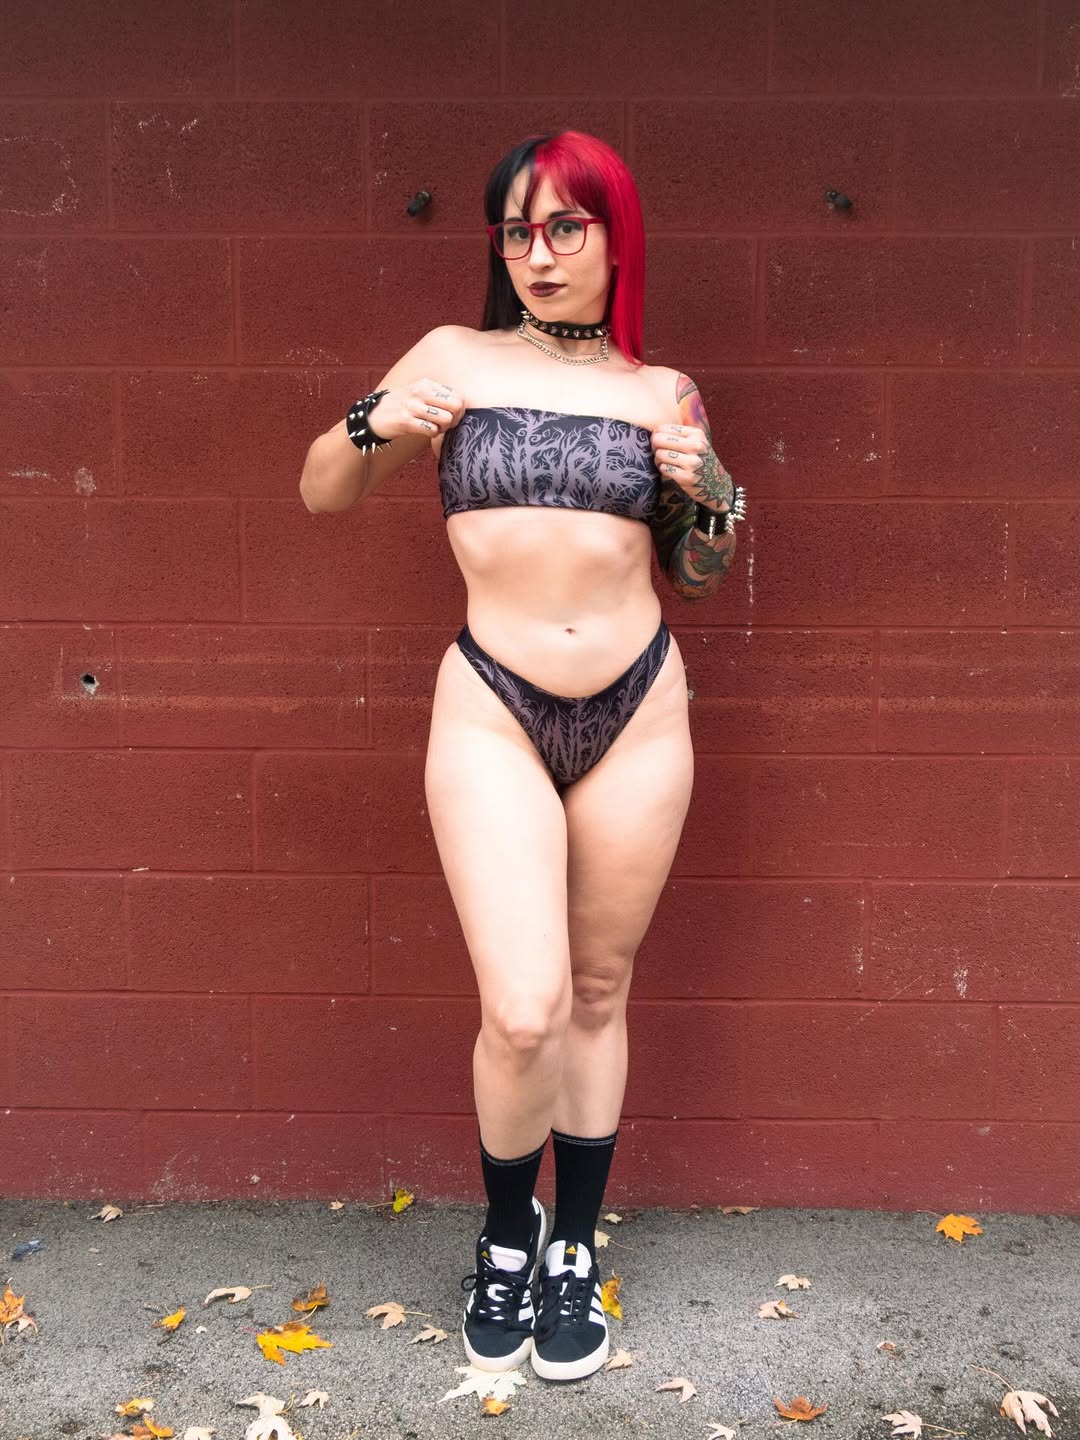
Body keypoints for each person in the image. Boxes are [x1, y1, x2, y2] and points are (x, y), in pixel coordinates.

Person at [299, 129, 745, 1385]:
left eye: (564, 227)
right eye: (515, 230)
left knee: (597, 992)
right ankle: (508, 1234)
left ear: (615, 235)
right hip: (492, 704)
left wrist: (714, 489)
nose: (537, 253)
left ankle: (574, 1252)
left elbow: (699, 576)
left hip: (638, 710)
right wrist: (374, 421)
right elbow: (324, 489)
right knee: (524, 1005)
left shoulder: (665, 392)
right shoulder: (453, 356)